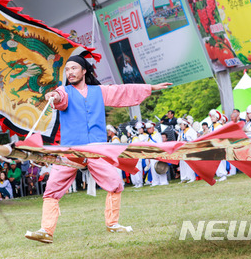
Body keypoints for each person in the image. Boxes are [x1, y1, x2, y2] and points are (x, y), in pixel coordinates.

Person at [25, 54, 172, 243]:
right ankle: (46, 230)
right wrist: (53, 95)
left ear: (84, 71)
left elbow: (122, 91)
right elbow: (60, 98)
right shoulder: (65, 91)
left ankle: (112, 224)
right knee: (52, 188)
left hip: (97, 149)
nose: (70, 72)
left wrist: (149, 87)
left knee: (115, 183)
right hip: (72, 150)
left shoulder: (98, 91)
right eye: (67, 69)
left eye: (74, 68)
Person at [146, 122, 168, 187]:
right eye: (147, 129)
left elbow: (160, 144)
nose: (148, 130)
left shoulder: (157, 135)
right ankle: (155, 181)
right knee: (153, 168)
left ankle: (163, 181)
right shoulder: (149, 136)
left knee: (160, 167)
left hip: (157, 153)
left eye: (149, 128)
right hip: (152, 154)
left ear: (153, 128)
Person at [177, 118, 197, 183]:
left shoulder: (191, 131)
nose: (180, 126)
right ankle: (184, 178)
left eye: (181, 124)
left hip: (189, 149)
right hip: (182, 150)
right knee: (182, 164)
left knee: (189, 164)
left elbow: (195, 140)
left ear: (185, 125)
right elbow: (178, 140)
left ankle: (191, 177)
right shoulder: (181, 132)